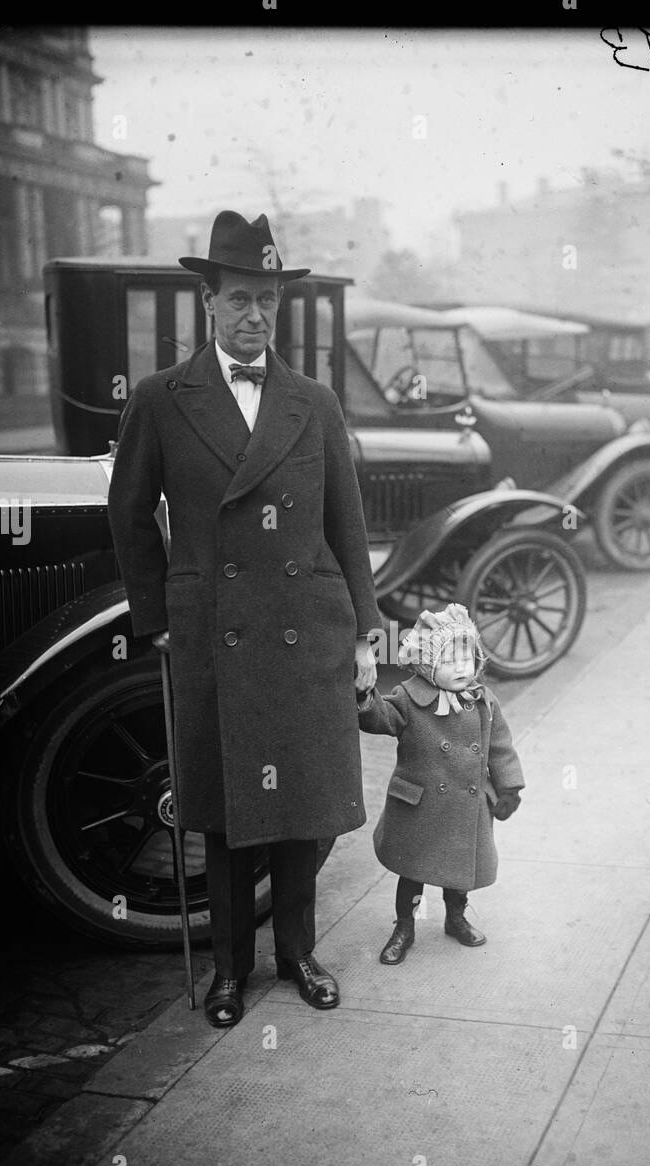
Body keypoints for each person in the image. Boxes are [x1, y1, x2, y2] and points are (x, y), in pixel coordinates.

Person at [107, 210, 380, 1027]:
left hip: (306, 626)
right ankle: (229, 970)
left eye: (266, 299)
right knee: (226, 809)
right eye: (239, 299)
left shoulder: (313, 401)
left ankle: (297, 953)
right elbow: (128, 513)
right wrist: (157, 612)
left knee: (300, 804)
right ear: (209, 304)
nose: (254, 314)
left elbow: (346, 522)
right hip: (213, 631)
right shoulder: (161, 398)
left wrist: (365, 630)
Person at [356, 603, 524, 964]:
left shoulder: (482, 700)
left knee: (460, 869)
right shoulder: (409, 698)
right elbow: (380, 718)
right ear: (427, 663)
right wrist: (364, 696)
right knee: (412, 872)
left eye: (467, 658)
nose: (462, 668)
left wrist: (509, 786)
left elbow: (500, 746)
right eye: (450, 660)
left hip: (465, 805)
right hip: (421, 807)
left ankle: (456, 917)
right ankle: (404, 927)